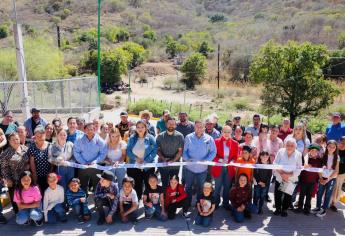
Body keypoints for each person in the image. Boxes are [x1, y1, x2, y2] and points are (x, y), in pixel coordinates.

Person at [183, 120, 217, 208]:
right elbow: (184, 151)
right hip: (190, 168)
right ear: (194, 127)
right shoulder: (188, 137)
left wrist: (207, 160)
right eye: (197, 126)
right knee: (188, 188)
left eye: (201, 127)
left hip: (202, 169)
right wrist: (187, 158)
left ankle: (199, 206)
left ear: (204, 127)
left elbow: (213, 152)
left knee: (201, 188)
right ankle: (187, 205)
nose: (199, 128)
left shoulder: (209, 139)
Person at [126, 120, 157, 199]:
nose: (140, 129)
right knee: (137, 185)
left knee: (149, 184)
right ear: (136, 128)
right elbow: (128, 151)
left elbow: (155, 150)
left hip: (148, 166)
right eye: (138, 127)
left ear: (146, 128)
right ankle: (137, 200)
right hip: (135, 165)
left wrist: (147, 160)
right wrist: (136, 159)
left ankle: (149, 201)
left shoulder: (150, 137)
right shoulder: (132, 138)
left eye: (142, 127)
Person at [73, 122, 107, 193]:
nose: (89, 131)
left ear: (94, 129)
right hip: (82, 166)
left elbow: (103, 153)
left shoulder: (100, 140)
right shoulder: (79, 139)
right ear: (84, 130)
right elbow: (76, 152)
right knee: (82, 185)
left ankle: (97, 200)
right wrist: (83, 162)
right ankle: (83, 199)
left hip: (95, 167)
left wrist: (94, 162)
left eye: (91, 129)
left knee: (97, 184)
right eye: (87, 129)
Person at [0, 132, 29, 214]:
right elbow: (4, 168)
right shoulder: (5, 154)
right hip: (14, 180)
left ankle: (28, 211)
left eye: (17, 139)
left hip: (26, 179)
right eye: (13, 140)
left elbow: (29, 160)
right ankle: (18, 213)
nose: (15, 141)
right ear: (9, 141)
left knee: (26, 196)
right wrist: (8, 179)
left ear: (19, 139)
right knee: (15, 198)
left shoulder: (25, 149)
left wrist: (28, 165)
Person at [211, 125, 239, 209]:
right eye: (225, 132)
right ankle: (215, 203)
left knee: (227, 187)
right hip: (218, 167)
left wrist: (232, 162)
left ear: (231, 133)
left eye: (228, 132)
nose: (226, 134)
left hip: (229, 168)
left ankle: (226, 203)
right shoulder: (215, 141)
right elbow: (212, 155)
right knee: (217, 187)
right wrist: (220, 160)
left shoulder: (235, 143)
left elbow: (236, 156)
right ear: (221, 132)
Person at [273, 138, 302, 217]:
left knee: (288, 195)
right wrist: (282, 174)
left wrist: (288, 176)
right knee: (278, 194)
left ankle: (284, 209)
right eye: (288, 145)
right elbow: (275, 163)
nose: (289, 147)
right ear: (285, 145)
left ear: (295, 146)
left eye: (292, 145)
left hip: (291, 178)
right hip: (280, 176)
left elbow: (299, 168)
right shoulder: (280, 151)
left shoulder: (298, 154)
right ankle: (278, 209)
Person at [312, 140, 339, 217]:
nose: (331, 148)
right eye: (329, 146)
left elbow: (336, 171)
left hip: (331, 179)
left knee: (328, 194)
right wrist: (321, 178)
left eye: (333, 147)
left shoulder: (337, 157)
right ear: (327, 147)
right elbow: (319, 168)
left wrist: (327, 180)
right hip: (322, 177)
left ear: (335, 148)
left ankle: (323, 210)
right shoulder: (323, 155)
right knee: (319, 192)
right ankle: (318, 207)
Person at [295, 144, 323, 215]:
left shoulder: (319, 160)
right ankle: (299, 207)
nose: (314, 152)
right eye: (312, 150)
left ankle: (307, 209)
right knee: (302, 194)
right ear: (309, 151)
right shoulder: (306, 158)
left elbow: (320, 169)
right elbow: (301, 165)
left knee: (309, 196)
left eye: (316, 151)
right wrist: (305, 164)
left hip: (313, 181)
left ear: (318, 152)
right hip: (304, 180)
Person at [157, 117, 184, 189]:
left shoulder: (180, 136)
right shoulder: (160, 136)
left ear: (175, 125)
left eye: (173, 124)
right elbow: (158, 150)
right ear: (166, 124)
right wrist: (163, 158)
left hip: (175, 165)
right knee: (164, 183)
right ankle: (165, 198)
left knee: (174, 184)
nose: (171, 125)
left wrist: (173, 160)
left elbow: (180, 151)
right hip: (163, 164)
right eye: (169, 123)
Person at [28, 125, 53, 194]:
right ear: (35, 136)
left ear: (45, 135)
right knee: (39, 192)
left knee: (48, 191)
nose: (39, 138)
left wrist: (50, 172)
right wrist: (34, 174)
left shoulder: (50, 145)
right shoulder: (32, 146)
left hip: (48, 173)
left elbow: (52, 161)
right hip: (37, 174)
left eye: (41, 136)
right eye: (37, 136)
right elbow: (32, 162)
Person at [330, 136, 345, 211]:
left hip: (341, 174)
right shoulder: (335, 150)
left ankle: (333, 203)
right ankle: (325, 202)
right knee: (329, 188)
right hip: (331, 173)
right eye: (342, 143)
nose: (343, 145)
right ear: (339, 142)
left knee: (337, 190)